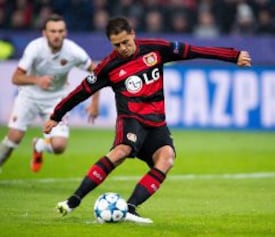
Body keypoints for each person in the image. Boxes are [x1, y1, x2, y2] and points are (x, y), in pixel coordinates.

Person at [43, 16, 251, 224]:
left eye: (126, 42)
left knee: (167, 158)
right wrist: (56, 115)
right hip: (131, 119)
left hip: (157, 122)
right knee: (121, 150)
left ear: (133, 34)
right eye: (117, 45)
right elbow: (81, 92)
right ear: (111, 43)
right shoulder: (108, 67)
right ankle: (73, 201)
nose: (123, 48)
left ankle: (131, 208)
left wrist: (233, 56)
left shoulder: (155, 49)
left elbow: (195, 50)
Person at [0, 14, 100, 173]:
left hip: (56, 99)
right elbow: (16, 78)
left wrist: (95, 103)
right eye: (52, 31)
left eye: (60, 31)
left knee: (59, 146)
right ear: (44, 33)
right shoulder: (35, 48)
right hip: (29, 96)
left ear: (65, 33)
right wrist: (37, 80)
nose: (57, 35)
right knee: (14, 137)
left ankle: (38, 146)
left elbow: (96, 73)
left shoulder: (73, 51)